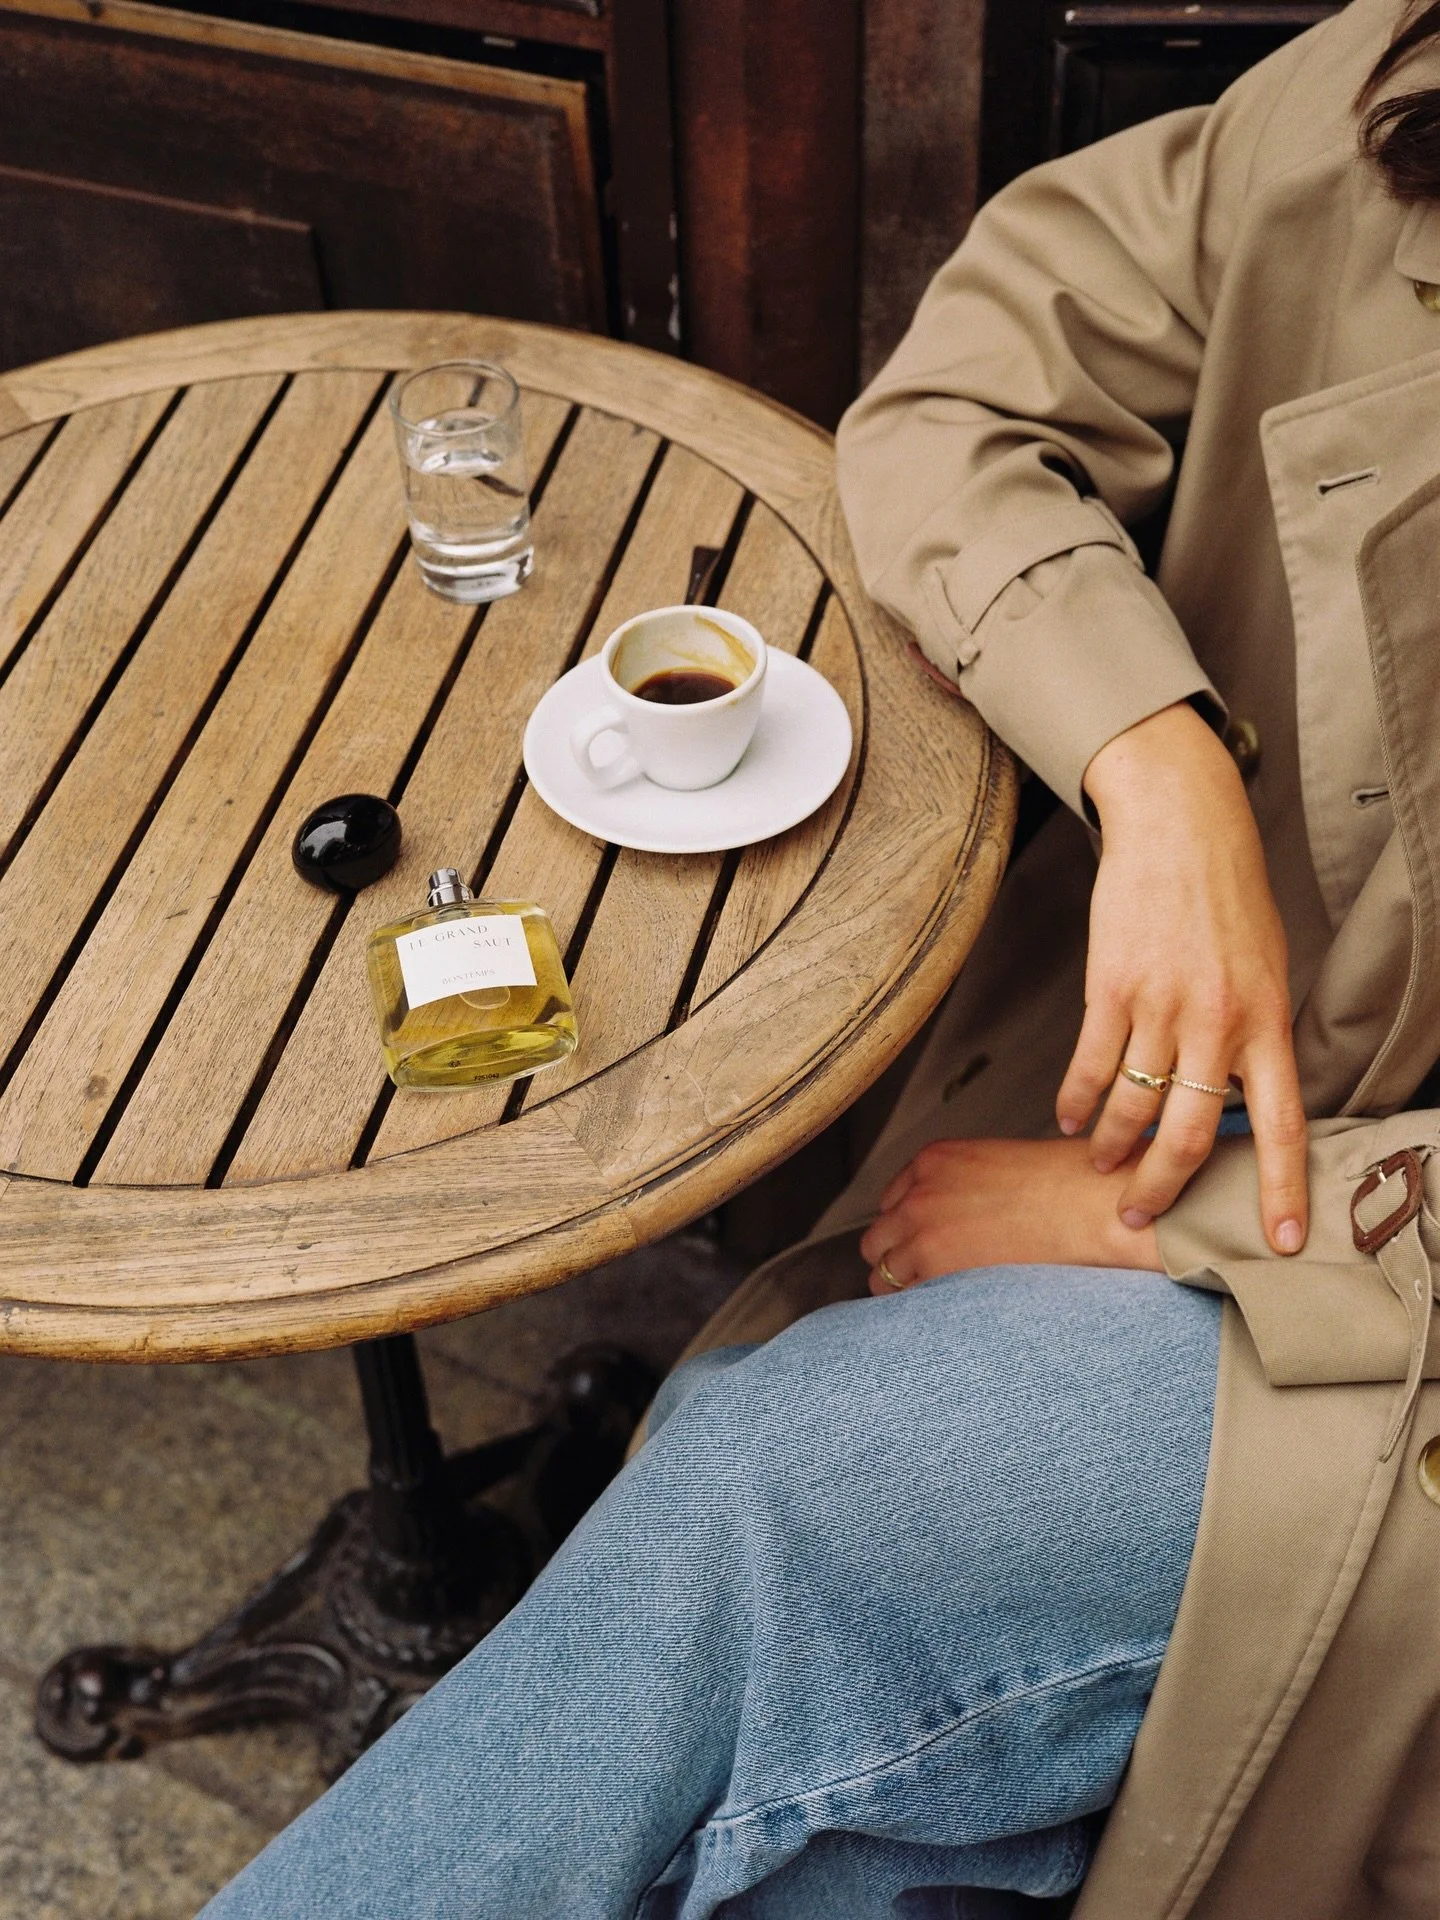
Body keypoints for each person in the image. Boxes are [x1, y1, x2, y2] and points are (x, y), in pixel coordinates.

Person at [199, 0, 1440, 1912]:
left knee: (793, 1498)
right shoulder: (1372, 114)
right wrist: (1157, 755)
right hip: (1209, 1101)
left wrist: (1172, 1225)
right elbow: (956, 401)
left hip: (1370, 1316)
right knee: (829, 1819)